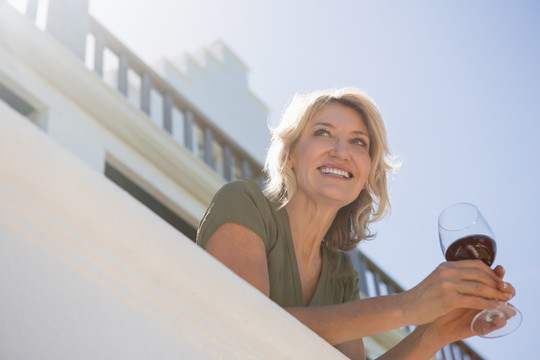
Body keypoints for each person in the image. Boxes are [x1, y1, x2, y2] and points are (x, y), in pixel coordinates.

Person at [196, 87, 515, 359]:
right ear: (289, 156)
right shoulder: (244, 201)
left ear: (366, 175)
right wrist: (410, 305)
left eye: (358, 142)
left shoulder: (340, 273)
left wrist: (436, 331)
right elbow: (244, 323)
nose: (341, 152)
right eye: (323, 133)